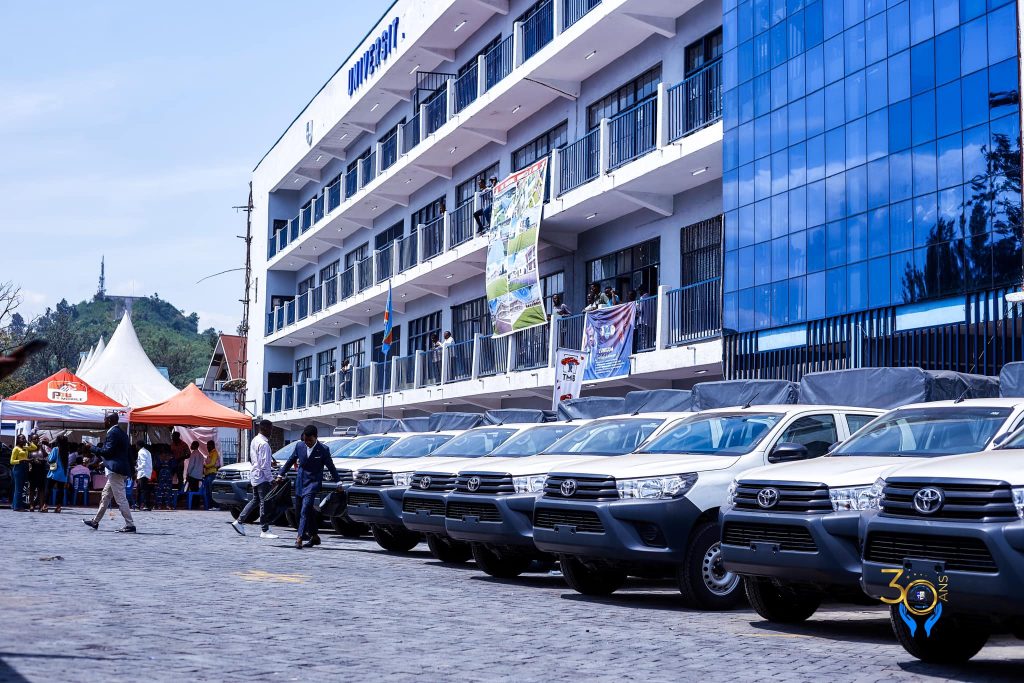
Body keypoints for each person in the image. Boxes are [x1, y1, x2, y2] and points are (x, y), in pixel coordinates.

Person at [275, 425, 340, 549]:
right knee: (300, 512)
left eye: (309, 440)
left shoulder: (323, 450)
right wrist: (280, 475)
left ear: (315, 437)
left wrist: (338, 483)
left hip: (313, 484)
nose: (307, 443)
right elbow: (290, 461)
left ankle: (299, 538)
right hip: (300, 483)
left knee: (305, 510)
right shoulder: (299, 446)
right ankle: (314, 536)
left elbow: (331, 467)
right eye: (305, 440)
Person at [82, 413, 136, 533]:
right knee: (106, 495)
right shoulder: (122, 433)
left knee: (121, 498)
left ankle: (130, 525)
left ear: (110, 421)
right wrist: (132, 471)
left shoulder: (112, 433)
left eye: (105, 420)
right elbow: (128, 454)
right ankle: (95, 521)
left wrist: (92, 447)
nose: (104, 422)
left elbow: (107, 451)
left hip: (115, 471)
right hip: (118, 469)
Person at [231, 419, 278, 539]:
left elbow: (257, 460)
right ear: (265, 429)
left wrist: (269, 464)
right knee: (264, 503)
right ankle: (264, 530)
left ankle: (239, 521)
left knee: (255, 500)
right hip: (262, 477)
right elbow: (264, 466)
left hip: (255, 475)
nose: (271, 431)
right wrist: (271, 479)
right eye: (271, 429)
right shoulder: (264, 444)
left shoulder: (255, 440)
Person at [9, 434, 37, 512]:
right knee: (18, 489)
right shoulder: (16, 449)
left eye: (24, 438)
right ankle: (18, 507)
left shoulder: (25, 448)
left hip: (24, 467)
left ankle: (14, 505)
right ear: (18, 440)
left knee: (20, 488)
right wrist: (21, 460)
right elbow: (11, 461)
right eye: (22, 438)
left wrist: (28, 442)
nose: (23, 440)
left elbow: (35, 447)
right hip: (18, 468)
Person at [42, 435, 70, 513]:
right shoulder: (66, 451)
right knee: (60, 490)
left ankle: (45, 506)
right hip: (63, 474)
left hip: (54, 472)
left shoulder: (55, 449)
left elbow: (50, 459)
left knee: (48, 489)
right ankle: (58, 507)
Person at [27, 437, 49, 511]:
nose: (36, 440)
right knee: (32, 489)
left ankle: (41, 505)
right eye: (35, 439)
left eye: (37, 439)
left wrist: (41, 447)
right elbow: (26, 458)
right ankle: (31, 505)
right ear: (31, 440)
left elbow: (45, 455)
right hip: (32, 470)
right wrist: (33, 460)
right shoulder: (29, 448)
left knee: (41, 489)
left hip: (41, 470)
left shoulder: (41, 448)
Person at [135, 441, 154, 511]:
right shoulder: (147, 451)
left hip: (143, 472)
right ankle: (138, 504)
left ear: (138, 445)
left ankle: (147, 505)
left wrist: (137, 469)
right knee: (139, 489)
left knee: (143, 490)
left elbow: (143, 463)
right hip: (145, 472)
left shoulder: (141, 452)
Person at [203, 440, 220, 510]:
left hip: (212, 474)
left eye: (208, 445)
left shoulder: (214, 453)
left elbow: (212, 463)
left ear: (212, 445)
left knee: (212, 491)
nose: (207, 447)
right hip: (208, 475)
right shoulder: (210, 453)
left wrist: (205, 466)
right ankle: (210, 506)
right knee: (208, 492)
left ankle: (216, 506)